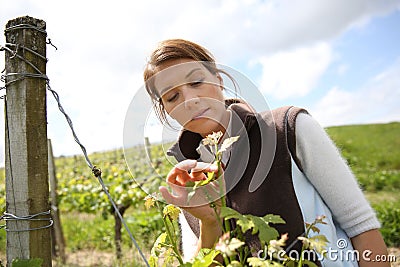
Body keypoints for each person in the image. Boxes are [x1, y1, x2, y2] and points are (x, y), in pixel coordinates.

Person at [143, 39, 389, 266]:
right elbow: (202, 261)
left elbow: (360, 225)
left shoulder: (287, 128)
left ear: (218, 80)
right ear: (166, 109)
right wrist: (210, 222)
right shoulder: (186, 180)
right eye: (173, 96)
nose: (189, 99)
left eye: (196, 82)